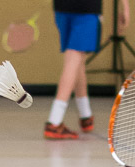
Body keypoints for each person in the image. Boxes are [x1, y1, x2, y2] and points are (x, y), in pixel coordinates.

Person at [45, 0, 130, 140]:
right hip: (86, 8)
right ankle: (54, 121)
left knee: (77, 59)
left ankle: (85, 116)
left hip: (61, 8)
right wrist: (125, 7)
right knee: (74, 58)